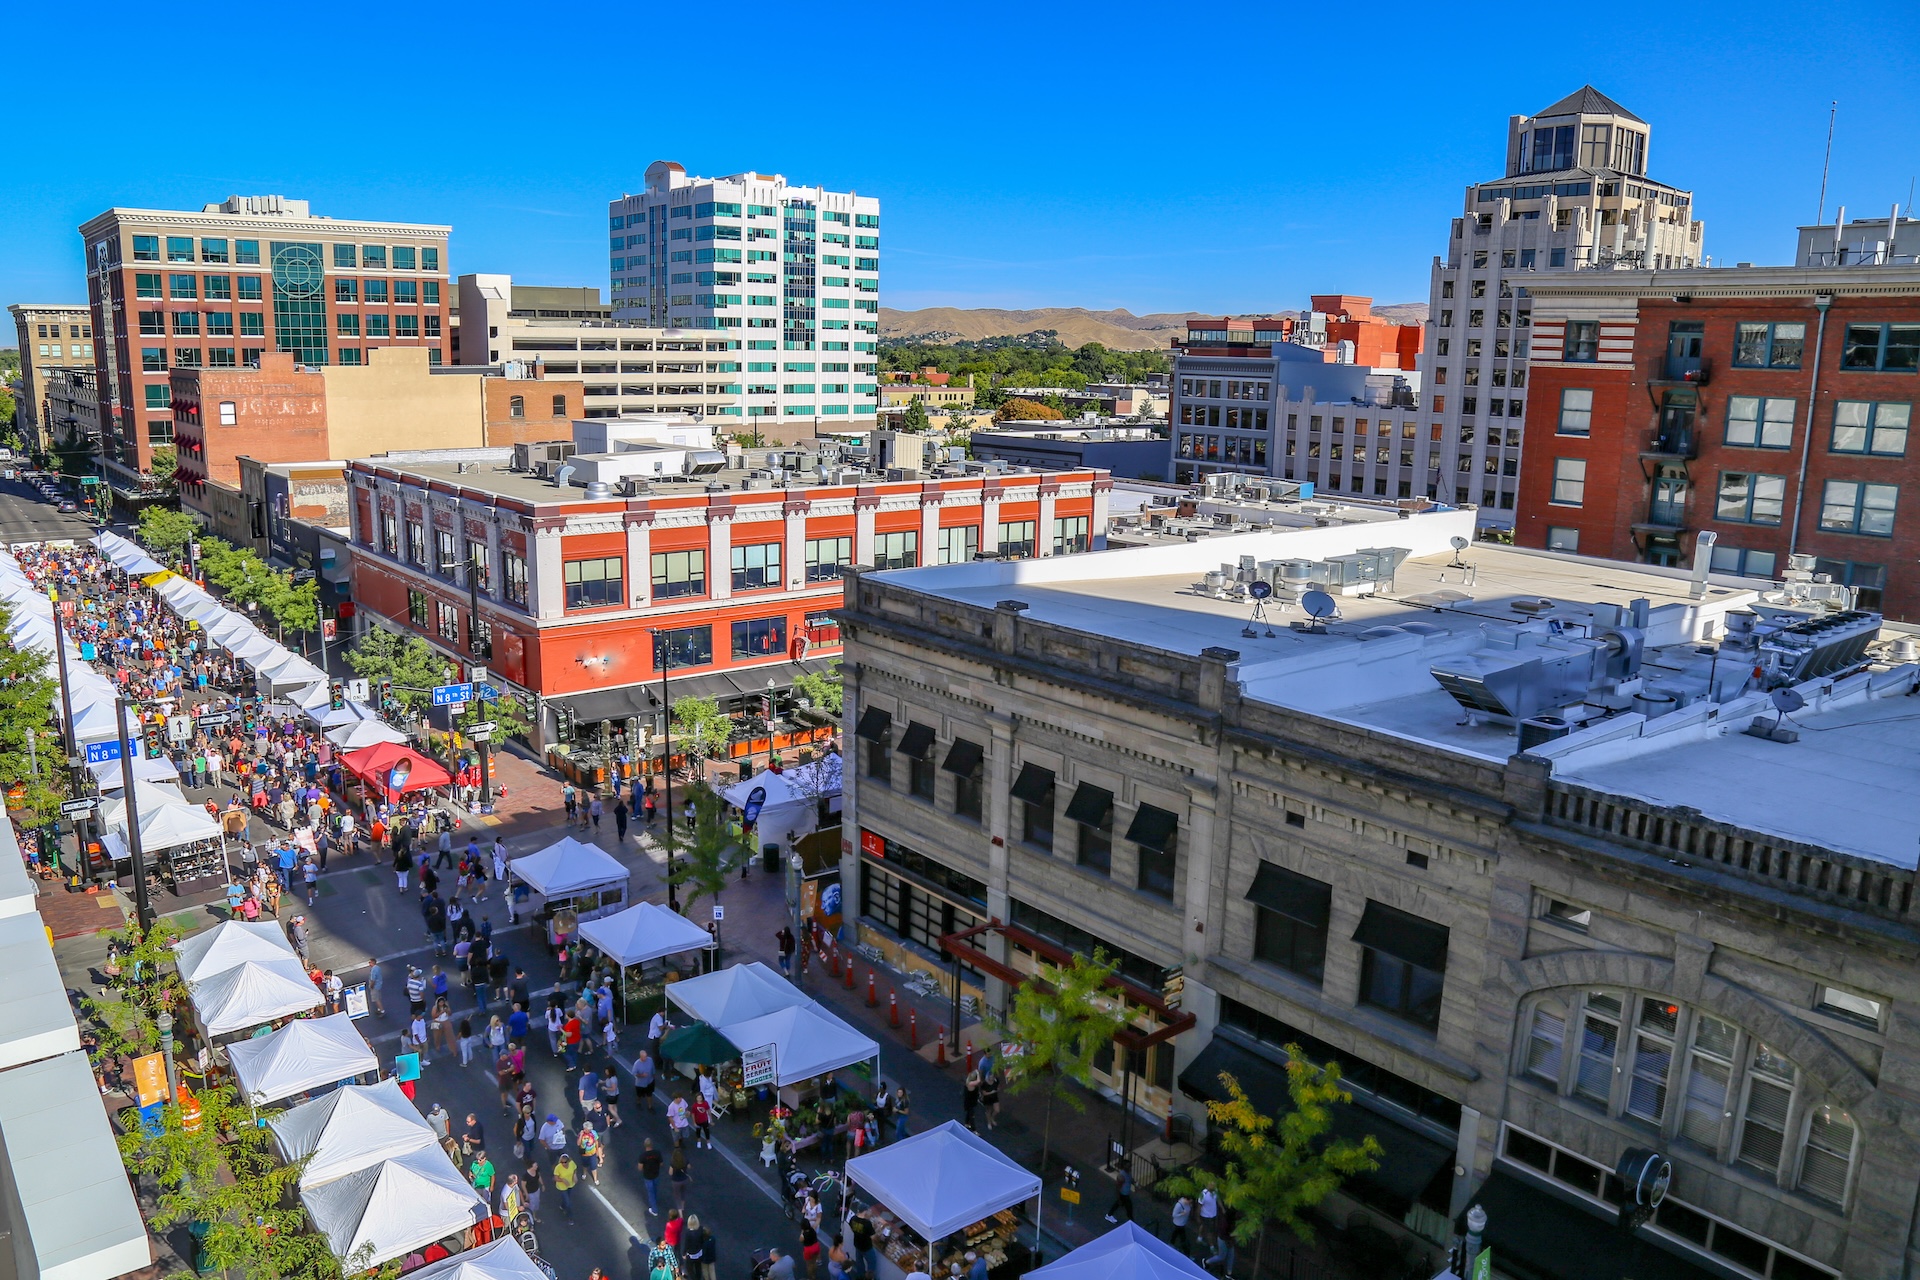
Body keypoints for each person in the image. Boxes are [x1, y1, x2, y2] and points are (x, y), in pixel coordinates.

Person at [551, 1152, 579, 1220]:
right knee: (568, 1203)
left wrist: (575, 1175)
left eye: (565, 1162)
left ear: (568, 1161)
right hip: (562, 1187)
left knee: (567, 1198)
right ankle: (570, 1217)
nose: (563, 1164)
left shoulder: (572, 1163)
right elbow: (555, 1178)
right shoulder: (558, 1168)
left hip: (570, 1184)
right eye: (562, 1162)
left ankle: (562, 1206)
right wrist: (562, 1180)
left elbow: (575, 1169)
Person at [576, 1120, 603, 1185]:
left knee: (594, 1166)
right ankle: (584, 1173)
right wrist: (581, 1135)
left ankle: (595, 1179)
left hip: (592, 1153)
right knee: (585, 1165)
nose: (589, 1130)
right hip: (584, 1153)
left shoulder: (593, 1133)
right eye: (588, 1129)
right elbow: (578, 1143)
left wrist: (597, 1150)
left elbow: (596, 1142)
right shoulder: (581, 1134)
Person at [668, 1142, 691, 1212]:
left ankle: (680, 1212)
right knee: (683, 1193)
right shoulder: (685, 1160)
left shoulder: (673, 1162)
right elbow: (689, 1167)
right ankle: (682, 1207)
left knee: (677, 1196)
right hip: (684, 1179)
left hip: (676, 1181)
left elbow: (670, 1173)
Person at [979, 1065, 1000, 1131]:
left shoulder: (996, 1081)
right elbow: (984, 1093)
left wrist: (997, 1089)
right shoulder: (985, 1084)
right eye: (990, 1077)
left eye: (993, 1077)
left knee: (997, 1110)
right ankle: (989, 1122)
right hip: (988, 1099)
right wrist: (992, 1092)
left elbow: (998, 1087)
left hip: (995, 1097)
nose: (992, 1078)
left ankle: (992, 1118)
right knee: (988, 1111)